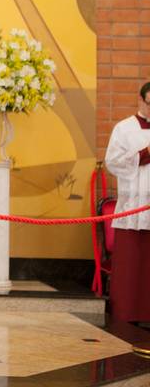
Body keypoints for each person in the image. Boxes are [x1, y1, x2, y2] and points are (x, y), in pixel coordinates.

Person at [105, 82, 150, 323]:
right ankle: (125, 318)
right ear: (141, 101)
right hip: (132, 208)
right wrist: (145, 154)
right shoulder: (124, 129)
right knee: (131, 270)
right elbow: (113, 162)